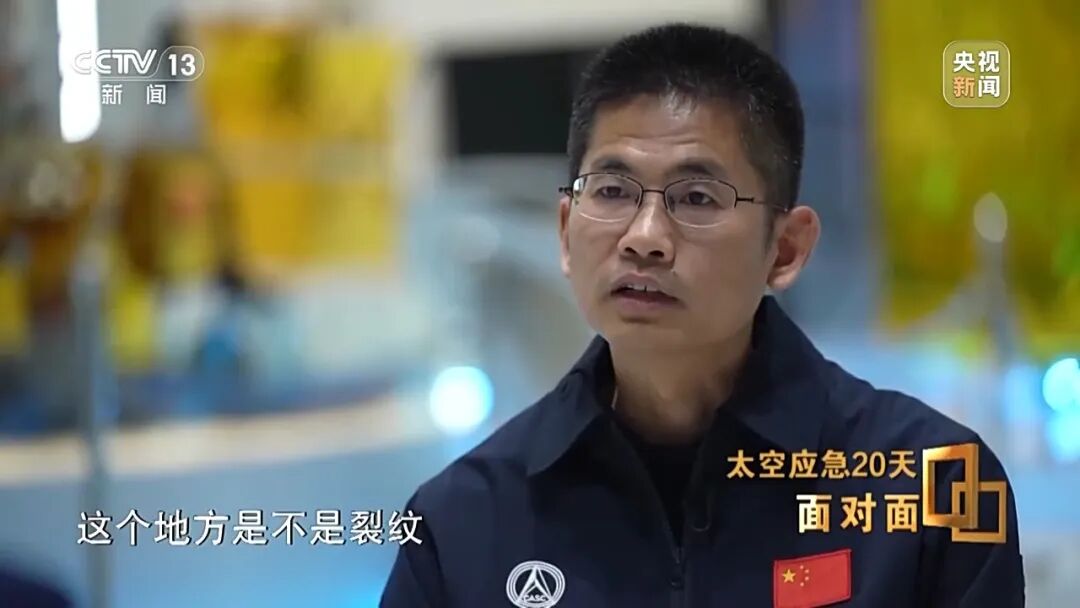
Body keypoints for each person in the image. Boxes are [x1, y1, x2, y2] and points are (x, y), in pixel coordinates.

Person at [381, 23, 1024, 607]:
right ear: (566, 232)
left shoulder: (936, 489)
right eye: (612, 191)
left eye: (695, 197)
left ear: (786, 249)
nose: (645, 237)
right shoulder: (461, 523)